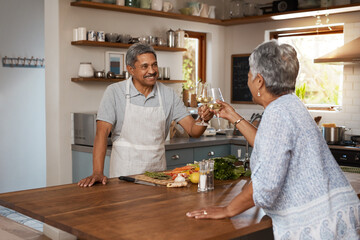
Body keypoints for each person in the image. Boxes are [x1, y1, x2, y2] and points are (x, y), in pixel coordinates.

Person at [186, 40, 360, 239]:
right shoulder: (290, 104)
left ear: (259, 81)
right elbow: (270, 146)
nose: (248, 81)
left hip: (318, 222)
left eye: (249, 75)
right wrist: (233, 116)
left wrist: (228, 210)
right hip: (336, 212)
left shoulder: (277, 113)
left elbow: (266, 184)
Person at [78, 43, 213, 187]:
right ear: (131, 69)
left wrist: (204, 119)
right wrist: (97, 172)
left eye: (154, 65)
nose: (152, 71)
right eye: (145, 66)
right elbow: (101, 134)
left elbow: (194, 131)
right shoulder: (114, 92)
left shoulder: (168, 95)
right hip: (124, 175)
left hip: (157, 174)